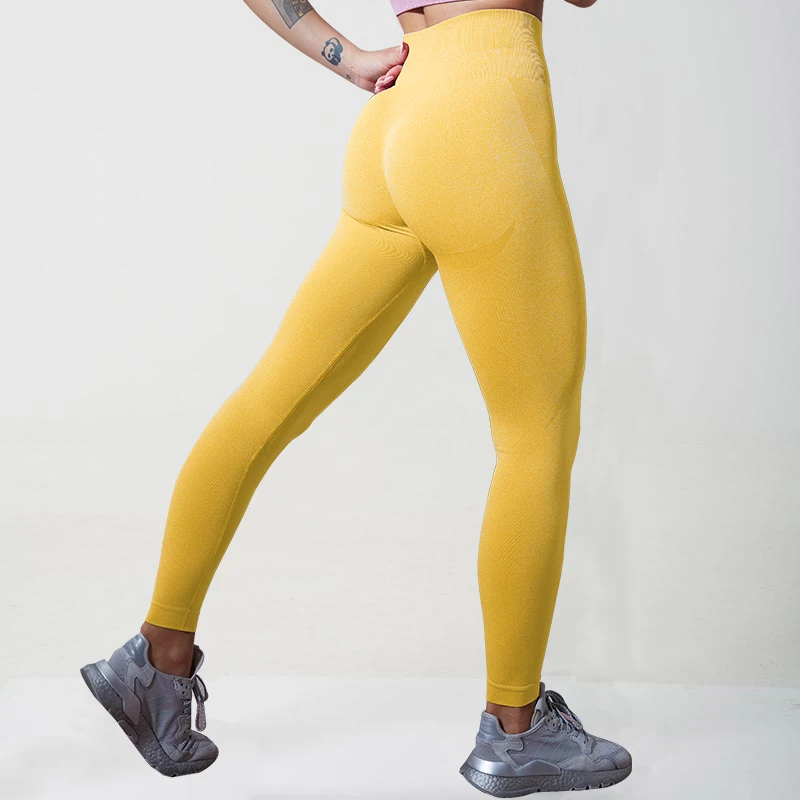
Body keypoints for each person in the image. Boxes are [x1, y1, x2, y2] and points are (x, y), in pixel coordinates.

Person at [80, 0, 632, 793]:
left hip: (396, 116)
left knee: (268, 400)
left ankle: (154, 659)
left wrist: (344, 56)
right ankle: (516, 730)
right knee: (534, 436)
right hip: (484, 109)